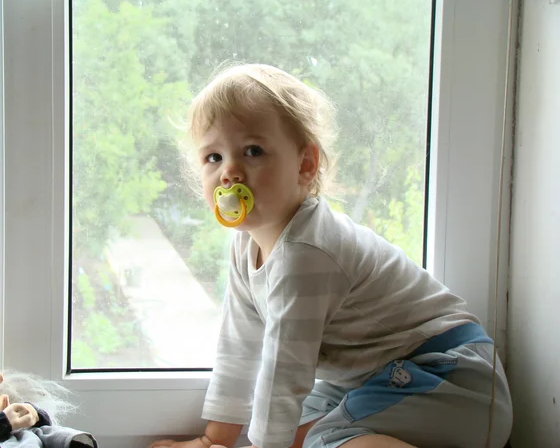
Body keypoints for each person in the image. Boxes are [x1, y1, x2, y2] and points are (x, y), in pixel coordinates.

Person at [149, 64, 513, 448]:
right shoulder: (247, 245)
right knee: (291, 428)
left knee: (319, 437)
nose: (229, 172)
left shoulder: (304, 253)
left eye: (252, 151)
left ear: (305, 165)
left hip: (455, 382)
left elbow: (283, 372)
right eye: (213, 157)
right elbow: (238, 347)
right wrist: (213, 440)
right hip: (383, 377)